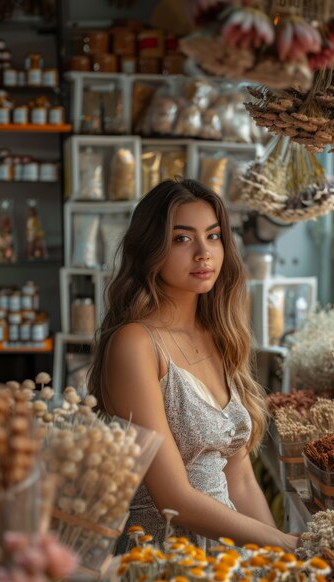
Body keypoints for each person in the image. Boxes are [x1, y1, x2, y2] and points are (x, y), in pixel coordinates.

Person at [88, 178, 299, 552]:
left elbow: (241, 481)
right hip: (165, 567)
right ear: (150, 249)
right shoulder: (135, 344)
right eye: (182, 239)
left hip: (226, 554)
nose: (204, 252)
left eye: (213, 236)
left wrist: (276, 562)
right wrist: (284, 543)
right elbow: (174, 499)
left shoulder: (219, 335)